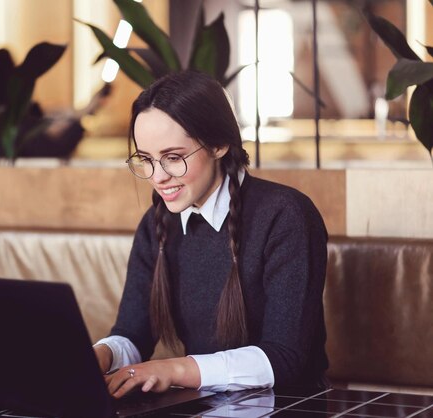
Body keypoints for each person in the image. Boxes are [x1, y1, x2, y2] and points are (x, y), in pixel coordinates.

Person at [93, 70, 329, 398]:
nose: (157, 177)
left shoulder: (285, 215)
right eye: (146, 160)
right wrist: (101, 354)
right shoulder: (156, 223)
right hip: (205, 405)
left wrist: (175, 368)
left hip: (289, 406)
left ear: (218, 144)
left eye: (173, 158)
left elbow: (285, 358)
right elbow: (133, 333)